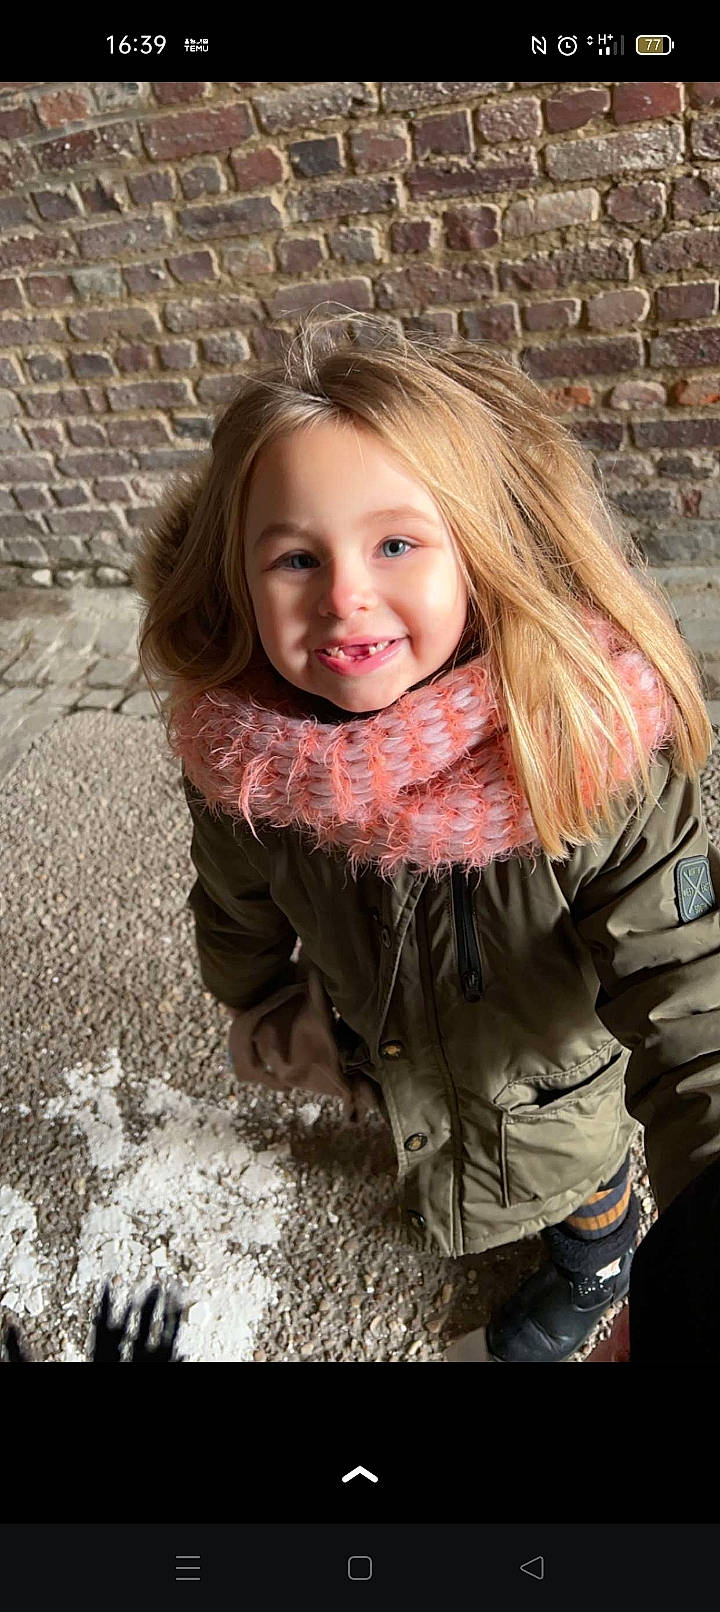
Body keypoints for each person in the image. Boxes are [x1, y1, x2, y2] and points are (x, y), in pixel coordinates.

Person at [133, 310, 720, 1364]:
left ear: (482, 553)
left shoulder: (583, 744)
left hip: (548, 1094)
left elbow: (689, 983)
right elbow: (232, 895)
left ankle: (598, 1251)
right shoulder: (245, 753)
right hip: (378, 1034)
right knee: (418, 1122)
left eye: (397, 543)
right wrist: (260, 996)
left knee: (572, 1187)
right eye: (296, 558)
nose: (346, 594)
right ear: (239, 577)